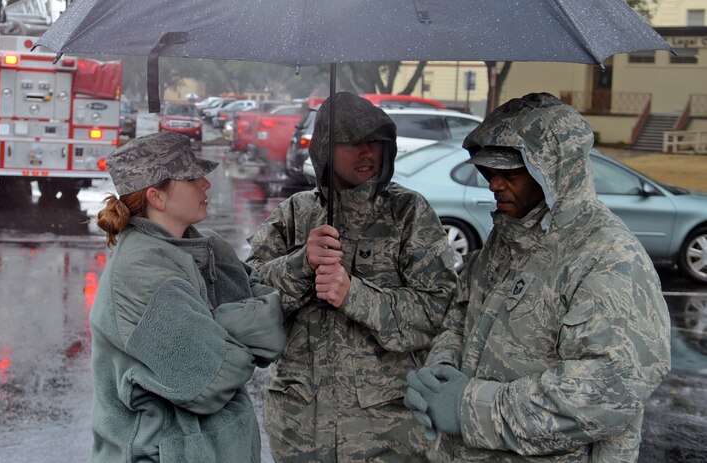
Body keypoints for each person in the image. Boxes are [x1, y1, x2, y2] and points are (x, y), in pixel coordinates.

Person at [405, 92, 671, 462]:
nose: (494, 185)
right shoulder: (507, 237)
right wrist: (441, 371)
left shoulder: (608, 258)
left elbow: (610, 392)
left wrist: (470, 408)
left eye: (510, 174)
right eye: (490, 172)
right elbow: (461, 317)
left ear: (553, 172)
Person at [246, 91, 459, 462]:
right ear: (326, 148)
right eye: (353, 142)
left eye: (377, 142)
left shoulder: (408, 214)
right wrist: (300, 265)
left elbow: (438, 312)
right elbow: (246, 303)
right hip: (300, 429)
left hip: (385, 433)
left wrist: (354, 295)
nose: (368, 153)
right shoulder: (295, 213)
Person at [90, 131, 286, 462]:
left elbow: (270, 324)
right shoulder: (139, 271)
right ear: (157, 197)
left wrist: (217, 328)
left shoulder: (204, 247)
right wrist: (232, 327)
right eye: (192, 177)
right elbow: (210, 379)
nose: (206, 184)